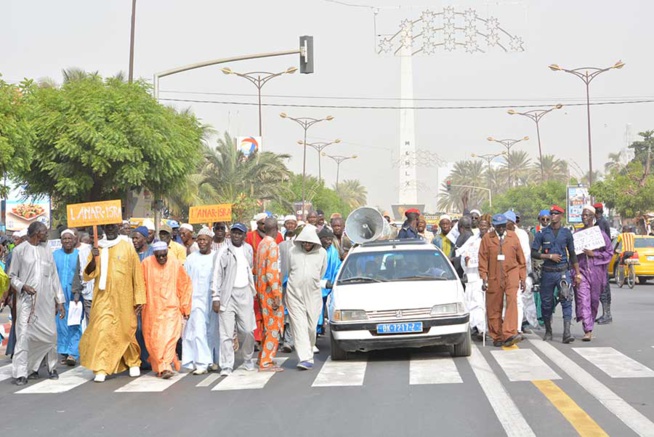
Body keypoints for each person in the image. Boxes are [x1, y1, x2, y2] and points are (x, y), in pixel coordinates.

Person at [79, 223, 146, 383]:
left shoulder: (127, 247)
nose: (110, 229)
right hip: (102, 298)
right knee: (101, 330)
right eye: (107, 227)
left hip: (124, 299)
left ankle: (132, 362)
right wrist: (94, 258)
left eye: (112, 227)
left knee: (125, 331)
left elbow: (136, 273)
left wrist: (139, 299)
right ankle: (101, 367)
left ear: (117, 228)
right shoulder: (98, 248)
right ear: (103, 229)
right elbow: (88, 275)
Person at [8, 222, 65, 385]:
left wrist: (59, 300)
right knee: (24, 335)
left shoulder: (47, 251)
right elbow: (12, 277)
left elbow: (54, 277)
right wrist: (23, 286)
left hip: (46, 302)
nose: (47, 235)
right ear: (36, 233)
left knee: (50, 335)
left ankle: (51, 368)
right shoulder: (20, 250)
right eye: (44, 232)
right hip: (27, 302)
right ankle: (21, 373)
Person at [141, 241, 192, 379]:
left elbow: (184, 285)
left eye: (164, 255)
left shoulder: (175, 263)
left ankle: (165, 366)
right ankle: (163, 363)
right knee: (155, 340)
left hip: (171, 308)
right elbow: (140, 285)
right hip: (152, 309)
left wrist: (185, 306)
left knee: (170, 338)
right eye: (159, 256)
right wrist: (138, 302)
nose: (162, 259)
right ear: (154, 254)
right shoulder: (146, 264)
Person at [531, 205, 581, 344]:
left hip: (562, 271)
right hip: (547, 272)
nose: (552, 216)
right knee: (546, 303)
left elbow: (572, 254)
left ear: (561, 216)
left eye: (555, 213)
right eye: (551, 213)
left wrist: (577, 273)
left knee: (566, 298)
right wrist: (548, 256)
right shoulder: (542, 233)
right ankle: (548, 329)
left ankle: (567, 332)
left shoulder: (566, 233)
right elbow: (534, 252)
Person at [211, 223, 257, 376]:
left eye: (240, 233)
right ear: (230, 234)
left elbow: (250, 268)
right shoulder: (223, 251)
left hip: (245, 293)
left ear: (245, 235)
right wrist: (216, 297)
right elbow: (216, 275)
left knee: (248, 330)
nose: (237, 236)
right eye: (235, 233)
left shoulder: (248, 249)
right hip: (227, 295)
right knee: (226, 333)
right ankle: (226, 365)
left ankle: (248, 359)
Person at [478, 214, 526, 347]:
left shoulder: (513, 237)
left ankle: (509, 333)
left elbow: (520, 258)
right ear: (493, 226)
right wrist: (483, 277)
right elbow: (482, 259)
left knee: (512, 300)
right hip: (494, 275)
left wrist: (522, 277)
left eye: (503, 226)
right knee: (494, 305)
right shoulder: (488, 239)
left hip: (511, 273)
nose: (501, 229)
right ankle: (497, 335)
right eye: (498, 226)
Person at [286, 225, 327, 370]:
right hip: (294, 294)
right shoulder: (292, 251)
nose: (307, 244)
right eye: (304, 242)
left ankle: (308, 348)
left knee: (310, 327)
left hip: (313, 295)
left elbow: (321, 272)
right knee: (299, 326)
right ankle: (305, 358)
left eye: (310, 242)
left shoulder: (322, 253)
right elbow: (289, 269)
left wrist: (311, 281)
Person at [183, 228, 219, 375]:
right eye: (200, 239)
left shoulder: (217, 257)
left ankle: (211, 360)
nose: (202, 242)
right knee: (197, 330)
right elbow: (185, 280)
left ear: (211, 241)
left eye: (205, 239)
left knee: (212, 331)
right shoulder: (191, 258)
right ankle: (201, 363)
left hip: (213, 299)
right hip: (196, 299)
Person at [575, 205, 613, 341]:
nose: (584, 217)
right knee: (583, 299)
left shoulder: (600, 235)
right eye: (583, 215)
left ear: (592, 217)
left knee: (593, 301)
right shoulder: (577, 235)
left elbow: (609, 252)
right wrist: (575, 272)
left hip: (597, 272)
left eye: (587, 215)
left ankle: (590, 322)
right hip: (582, 272)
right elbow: (572, 255)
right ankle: (587, 329)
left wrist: (594, 254)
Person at [255, 218, 285, 372]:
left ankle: (262, 357)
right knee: (274, 327)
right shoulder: (272, 244)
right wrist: (276, 295)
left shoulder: (261, 244)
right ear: (277, 228)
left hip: (261, 291)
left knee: (267, 326)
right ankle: (266, 362)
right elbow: (271, 272)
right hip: (270, 292)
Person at [53, 229, 84, 366]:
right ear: (60, 241)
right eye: (64, 239)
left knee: (74, 322)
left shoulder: (80, 255)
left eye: (69, 238)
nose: (67, 241)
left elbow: (83, 275)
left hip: (75, 294)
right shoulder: (54, 255)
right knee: (61, 324)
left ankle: (73, 353)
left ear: (74, 240)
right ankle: (64, 352)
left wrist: (78, 292)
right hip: (58, 294)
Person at [505, 210, 536, 332]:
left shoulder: (521, 234)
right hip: (504, 274)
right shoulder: (500, 233)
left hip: (519, 272)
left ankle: (517, 328)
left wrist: (523, 274)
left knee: (519, 300)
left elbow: (525, 255)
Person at [461, 217, 490, 339]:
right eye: (481, 225)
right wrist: (466, 260)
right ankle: (480, 329)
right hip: (475, 276)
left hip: (490, 275)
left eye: (485, 226)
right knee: (476, 303)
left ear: (489, 226)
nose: (483, 228)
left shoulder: (494, 239)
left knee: (488, 304)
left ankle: (489, 328)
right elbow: (463, 254)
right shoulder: (472, 240)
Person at [317, 227, 342, 338]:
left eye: (330, 239)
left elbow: (337, 267)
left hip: (329, 285)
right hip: (316, 285)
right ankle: (316, 329)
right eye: (326, 239)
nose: (329, 241)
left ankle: (320, 327)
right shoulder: (315, 250)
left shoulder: (333, 251)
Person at [593, 202, 613, 325]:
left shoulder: (600, 223)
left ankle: (607, 314)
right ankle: (606, 314)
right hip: (600, 258)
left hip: (600, 258)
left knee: (603, 288)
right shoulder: (601, 222)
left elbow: (601, 241)